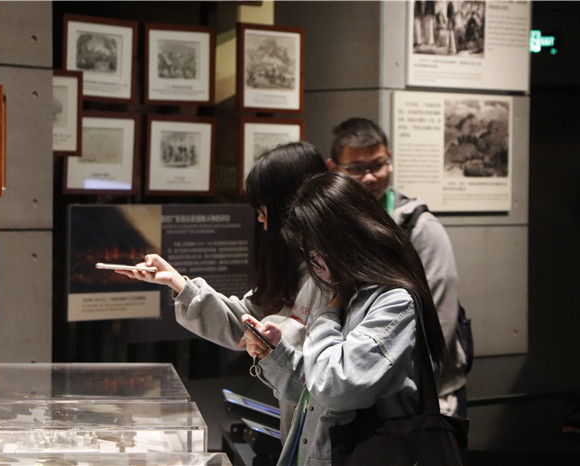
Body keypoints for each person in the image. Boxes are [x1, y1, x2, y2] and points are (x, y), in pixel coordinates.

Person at [117, 141, 330, 441]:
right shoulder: (293, 265)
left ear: (287, 204)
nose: (260, 218)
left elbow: (320, 367)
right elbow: (245, 320)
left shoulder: (330, 272)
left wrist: (275, 335)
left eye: (263, 207)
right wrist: (177, 283)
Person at [242, 172, 446, 465]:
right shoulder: (346, 292)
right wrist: (275, 354)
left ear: (345, 242)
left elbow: (335, 386)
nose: (316, 268)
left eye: (317, 255)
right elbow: (313, 393)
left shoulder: (394, 302)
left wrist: (325, 315)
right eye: (309, 257)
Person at [327, 117, 467, 417]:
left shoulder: (419, 227)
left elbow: (439, 318)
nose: (369, 177)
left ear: (389, 159)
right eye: (356, 168)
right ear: (333, 167)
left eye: (377, 165)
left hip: (418, 394)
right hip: (359, 390)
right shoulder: (336, 225)